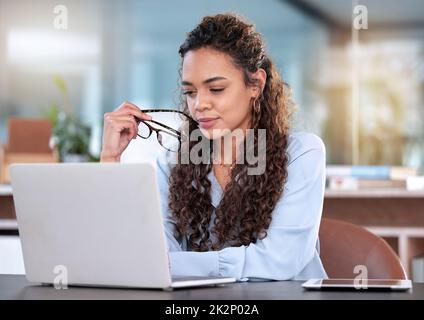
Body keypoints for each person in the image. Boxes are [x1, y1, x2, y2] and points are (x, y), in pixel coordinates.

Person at [100, 13, 327, 281]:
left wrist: (180, 264)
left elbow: (280, 261)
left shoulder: (301, 154)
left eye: (216, 89)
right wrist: (110, 159)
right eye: (190, 92)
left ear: (256, 84)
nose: (199, 105)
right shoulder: (174, 160)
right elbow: (149, 254)